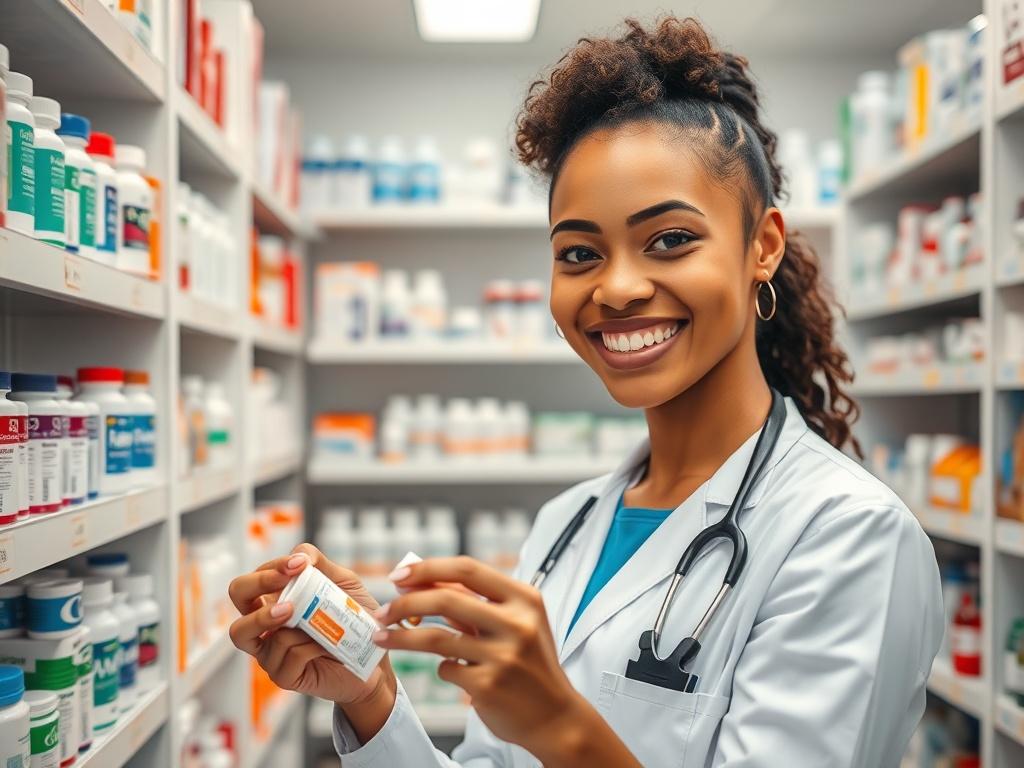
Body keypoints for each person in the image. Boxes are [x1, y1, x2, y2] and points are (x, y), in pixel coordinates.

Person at [228, 16, 943, 767]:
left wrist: (561, 726)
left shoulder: (850, 538)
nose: (618, 288)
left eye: (670, 239)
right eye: (579, 252)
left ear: (760, 245)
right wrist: (368, 695)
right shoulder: (564, 525)